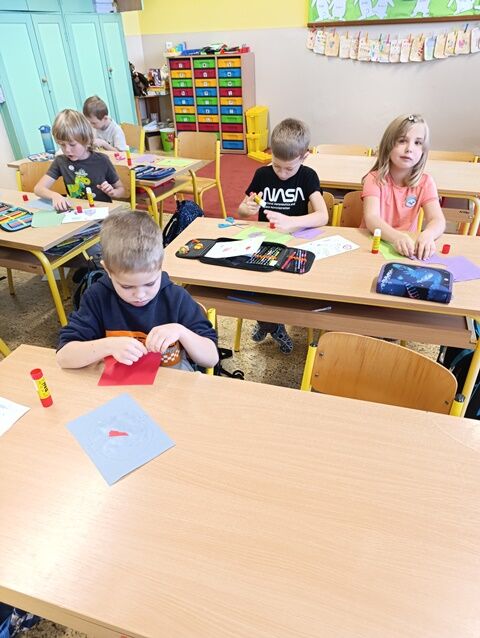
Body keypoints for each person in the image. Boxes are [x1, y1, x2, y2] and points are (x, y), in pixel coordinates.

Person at [56, 211, 219, 371]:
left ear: (161, 264)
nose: (140, 295)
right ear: (107, 270)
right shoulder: (98, 296)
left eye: (150, 283)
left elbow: (211, 358)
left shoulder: (176, 298)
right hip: (118, 380)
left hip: (170, 380)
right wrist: (108, 346)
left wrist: (181, 332)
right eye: (127, 286)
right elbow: (64, 357)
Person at [238, 118, 328, 354]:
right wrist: (245, 209)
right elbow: (242, 209)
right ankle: (270, 324)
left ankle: (271, 324)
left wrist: (292, 222)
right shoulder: (262, 174)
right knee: (257, 286)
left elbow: (323, 216)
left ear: (304, 157)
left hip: (294, 244)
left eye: (289, 168)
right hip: (265, 242)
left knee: (283, 289)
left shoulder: (308, 176)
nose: (282, 173)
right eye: (277, 166)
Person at [362, 114, 445, 260]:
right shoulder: (374, 179)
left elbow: (438, 220)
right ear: (388, 145)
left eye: (418, 143)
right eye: (402, 141)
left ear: (423, 150)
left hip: (406, 250)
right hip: (371, 245)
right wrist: (397, 237)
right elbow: (371, 218)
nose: (409, 149)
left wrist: (428, 234)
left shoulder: (425, 182)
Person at [34, 109, 125, 211]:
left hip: (103, 213)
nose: (67, 150)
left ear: (86, 140)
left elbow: (121, 190)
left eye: (72, 144)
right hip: (78, 213)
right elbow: (38, 188)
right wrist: (55, 196)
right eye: (62, 145)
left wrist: (112, 192)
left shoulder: (102, 160)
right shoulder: (60, 161)